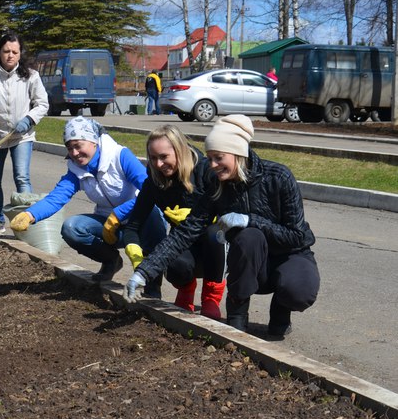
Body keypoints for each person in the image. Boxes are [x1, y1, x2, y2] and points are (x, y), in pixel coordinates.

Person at [117, 115, 320, 339]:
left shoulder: (279, 177)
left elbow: (298, 236)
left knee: (297, 291)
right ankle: (237, 316)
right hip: (251, 261)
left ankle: (280, 312)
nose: (211, 165)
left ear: (238, 153)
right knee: (248, 238)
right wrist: (143, 272)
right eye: (210, 157)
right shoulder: (217, 185)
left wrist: (251, 220)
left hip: (289, 255)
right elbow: (185, 233)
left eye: (218, 158)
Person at [10, 117, 167, 288]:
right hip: (110, 228)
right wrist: (30, 214)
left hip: (140, 222)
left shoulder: (119, 156)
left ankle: (152, 290)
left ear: (93, 142)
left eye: (78, 146)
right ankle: (111, 261)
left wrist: (119, 213)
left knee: (152, 213)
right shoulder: (76, 170)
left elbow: (151, 191)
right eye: (70, 148)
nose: (75, 153)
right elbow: (56, 198)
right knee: (72, 227)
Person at [121, 125, 226, 318]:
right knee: (176, 265)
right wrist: (137, 258)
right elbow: (133, 226)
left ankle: (211, 298)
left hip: (215, 247)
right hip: (183, 244)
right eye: (153, 158)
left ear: (179, 151)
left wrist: (204, 217)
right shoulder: (154, 182)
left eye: (164, 157)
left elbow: (228, 212)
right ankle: (186, 290)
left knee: (215, 234)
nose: (158, 164)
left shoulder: (205, 171)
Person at [0, 32, 49, 233]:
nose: (10, 55)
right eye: (6, 51)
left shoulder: (31, 76)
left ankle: (27, 223)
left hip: (22, 136)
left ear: (20, 53)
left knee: (22, 177)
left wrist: (29, 119)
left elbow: (42, 104)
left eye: (14, 52)